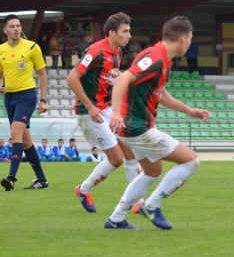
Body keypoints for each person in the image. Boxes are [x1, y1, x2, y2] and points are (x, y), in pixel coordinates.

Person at [106, 16, 209, 230]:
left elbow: (160, 94)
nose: (190, 44)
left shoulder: (162, 60)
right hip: (137, 128)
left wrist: (190, 111)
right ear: (182, 39)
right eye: (190, 39)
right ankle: (152, 205)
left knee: (153, 171)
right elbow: (124, 78)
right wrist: (115, 112)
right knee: (191, 162)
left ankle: (116, 219)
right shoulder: (155, 58)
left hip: (132, 128)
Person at [67, 12, 143, 213]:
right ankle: (84, 189)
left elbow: (108, 78)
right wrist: (91, 107)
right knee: (117, 158)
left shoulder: (117, 52)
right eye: (125, 31)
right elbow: (72, 79)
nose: (129, 35)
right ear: (112, 33)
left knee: (129, 152)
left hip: (107, 108)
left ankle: (137, 202)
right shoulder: (95, 52)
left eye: (129, 31)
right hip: (89, 111)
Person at [0, 14, 50, 190]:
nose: (16, 29)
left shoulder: (32, 47)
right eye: (12, 26)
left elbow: (42, 74)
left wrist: (43, 100)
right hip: (10, 97)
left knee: (15, 133)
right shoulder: (1, 50)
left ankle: (11, 178)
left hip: (27, 96)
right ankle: (42, 180)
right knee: (26, 141)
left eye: (18, 26)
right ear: (5, 30)